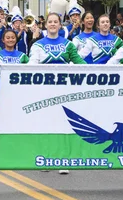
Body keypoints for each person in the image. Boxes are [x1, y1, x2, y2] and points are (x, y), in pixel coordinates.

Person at [29, 13, 86, 175]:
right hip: (45, 91)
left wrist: (96, 70)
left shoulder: (68, 45)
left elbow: (79, 62)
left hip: (64, 91)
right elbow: (32, 65)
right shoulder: (38, 45)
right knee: (46, 125)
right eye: (50, 22)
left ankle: (62, 159)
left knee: (64, 124)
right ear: (45, 25)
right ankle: (46, 158)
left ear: (60, 25)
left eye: (56, 22)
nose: (53, 24)